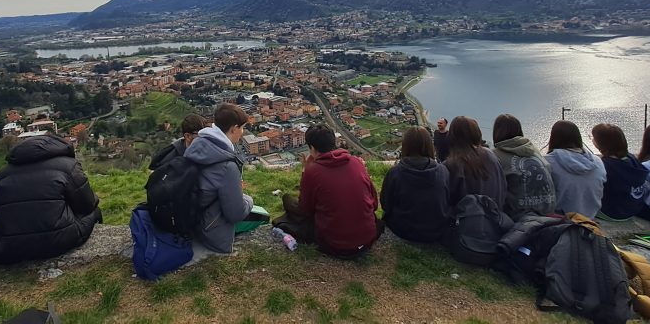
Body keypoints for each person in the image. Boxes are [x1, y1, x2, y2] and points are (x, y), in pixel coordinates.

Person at [0, 134, 102, 264]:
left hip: (8, 244)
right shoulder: (69, 166)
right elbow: (86, 205)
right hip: (57, 240)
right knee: (95, 211)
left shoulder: (3, 173)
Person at [276, 124, 380, 257]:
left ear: (312, 148)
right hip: (367, 239)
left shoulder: (313, 171)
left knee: (287, 200)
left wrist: (306, 170)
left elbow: (306, 210)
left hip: (334, 245)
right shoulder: (356, 162)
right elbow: (374, 203)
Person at [183, 103, 254, 254]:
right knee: (256, 213)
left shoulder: (197, 145)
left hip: (190, 221)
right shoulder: (227, 166)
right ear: (234, 128)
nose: (242, 132)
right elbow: (236, 213)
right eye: (242, 128)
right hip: (210, 234)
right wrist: (248, 200)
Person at [381, 126, 450, 243]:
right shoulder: (443, 171)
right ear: (429, 145)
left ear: (405, 146)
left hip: (403, 230)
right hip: (436, 230)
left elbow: (385, 204)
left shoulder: (395, 172)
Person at [491, 114, 555, 219]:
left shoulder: (495, 156)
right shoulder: (535, 152)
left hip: (518, 221)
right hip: (548, 215)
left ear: (496, 132)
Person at [545, 120, 606, 218]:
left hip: (561, 220)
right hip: (589, 217)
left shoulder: (548, 161)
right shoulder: (598, 161)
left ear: (553, 138)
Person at [444, 116, 506, 209]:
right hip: (495, 218)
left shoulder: (449, 165)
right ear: (476, 133)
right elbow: (503, 187)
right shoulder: (491, 155)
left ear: (452, 136)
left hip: (464, 222)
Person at [591, 123, 649, 221]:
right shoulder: (632, 159)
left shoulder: (604, 166)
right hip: (633, 210)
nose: (592, 140)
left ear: (602, 143)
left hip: (612, 213)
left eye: (593, 138)